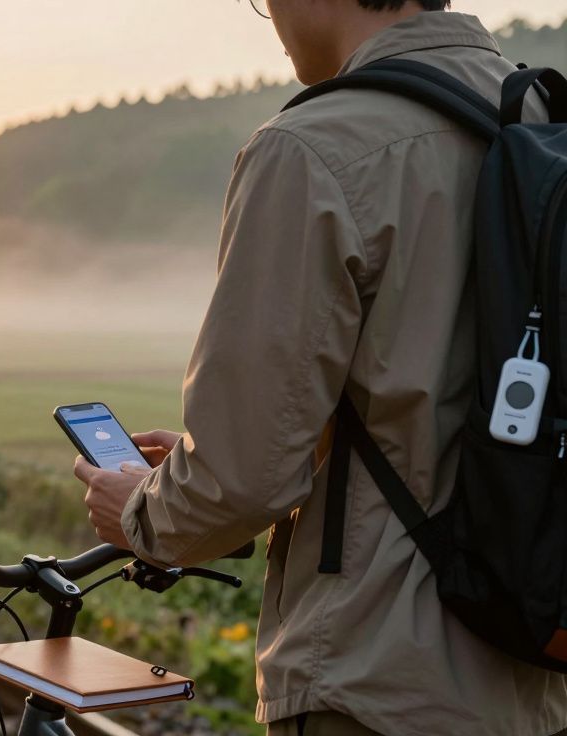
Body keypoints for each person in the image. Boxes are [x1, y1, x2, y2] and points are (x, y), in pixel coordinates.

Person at [75, 2, 567, 735]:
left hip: (375, 679)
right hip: (539, 670)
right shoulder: (539, 117)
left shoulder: (316, 146)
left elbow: (244, 475)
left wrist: (145, 510)